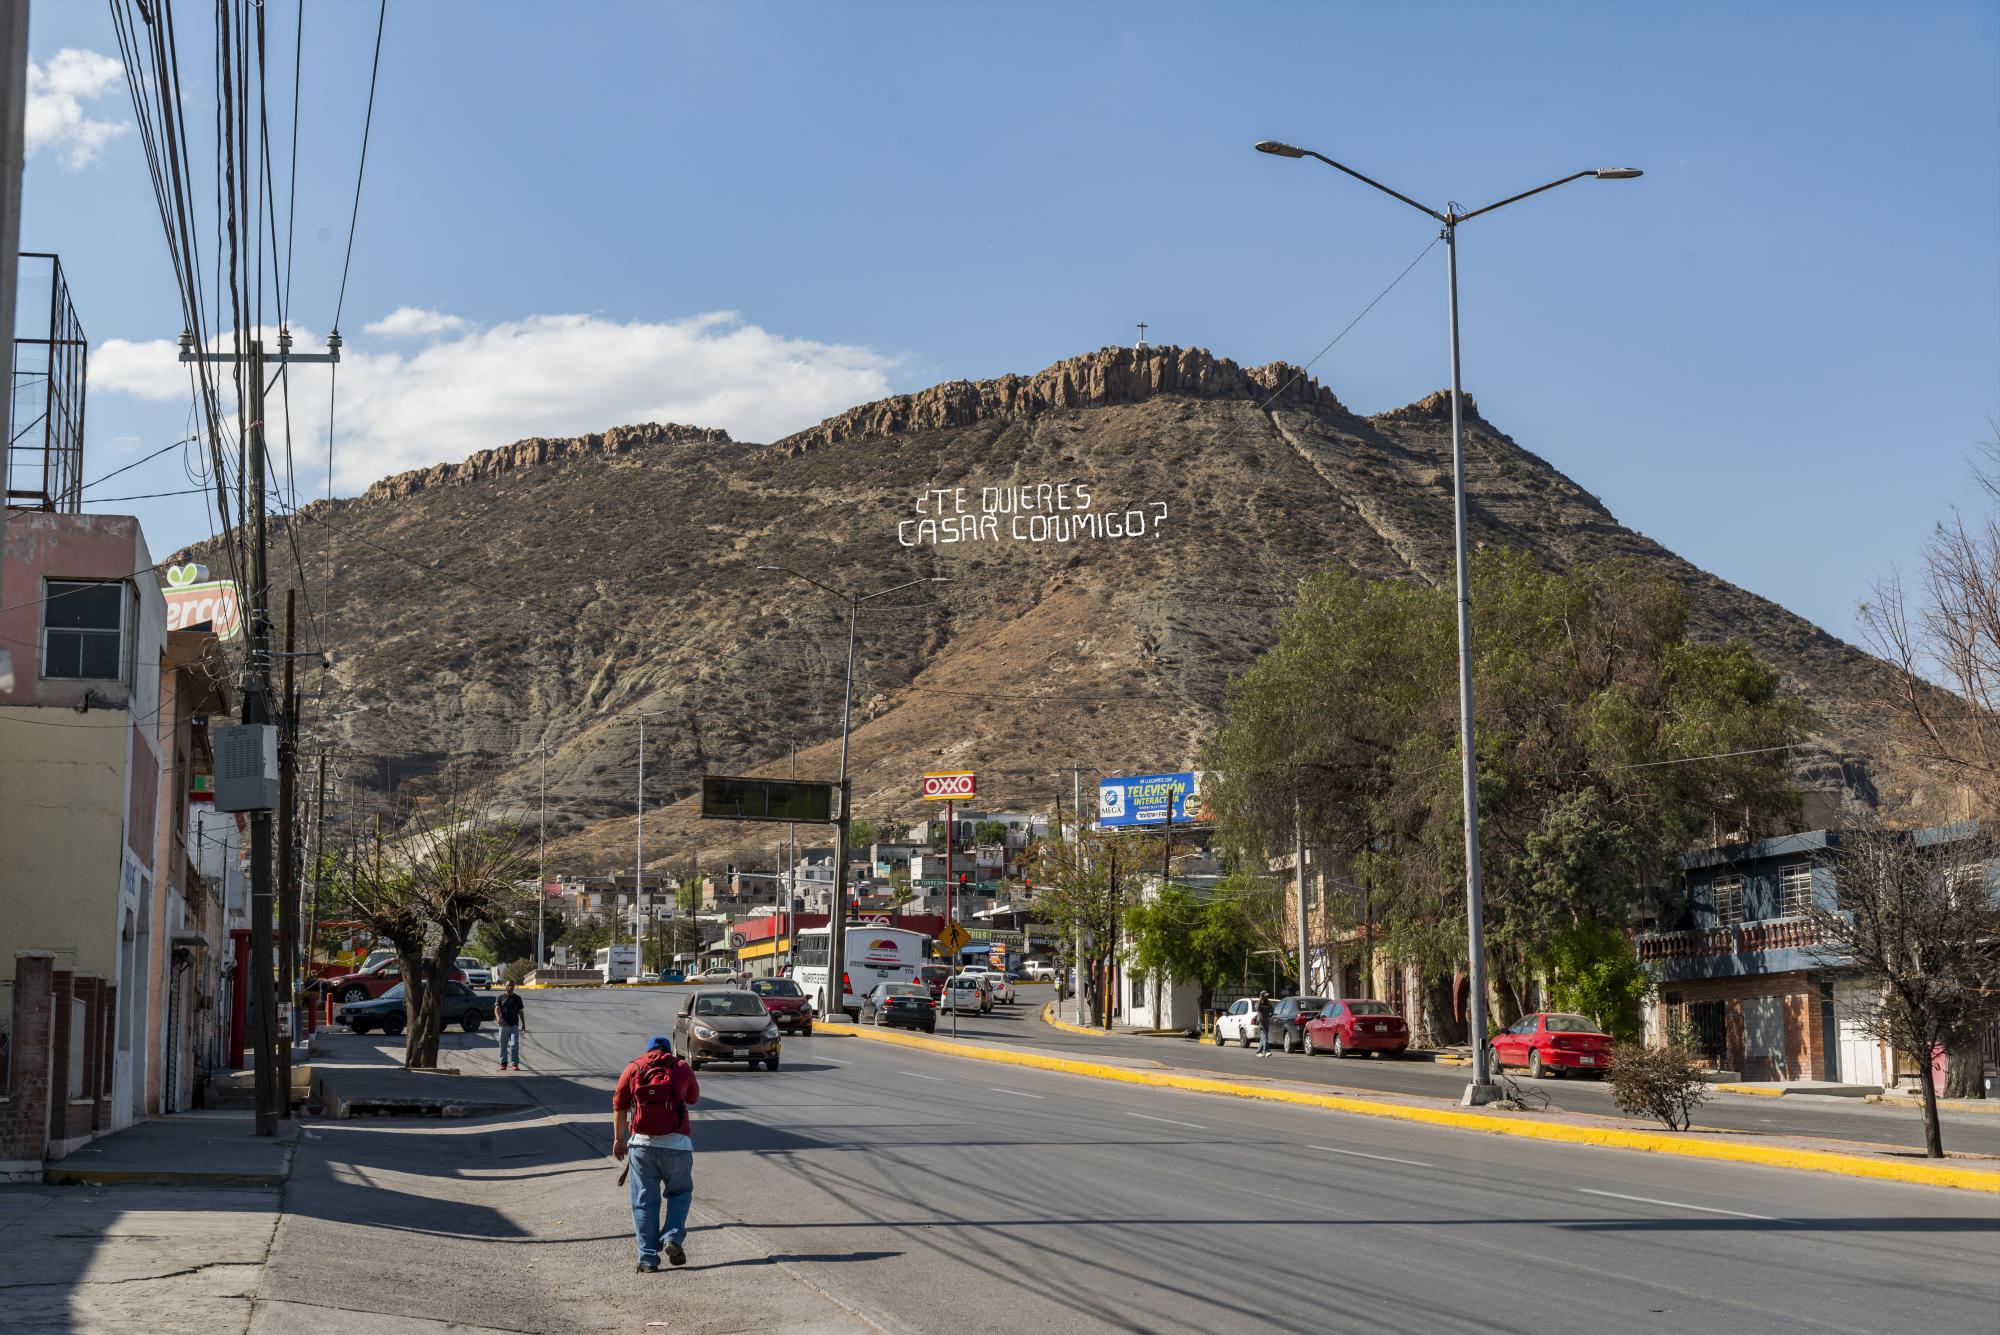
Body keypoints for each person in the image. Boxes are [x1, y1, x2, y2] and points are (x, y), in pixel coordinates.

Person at [613, 1035, 700, 1272]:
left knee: (644, 1202)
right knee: (680, 1193)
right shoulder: (681, 1067)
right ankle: (672, 1237)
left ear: (649, 1050)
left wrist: (619, 1139)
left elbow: (619, 1104)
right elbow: (693, 1098)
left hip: (642, 1147)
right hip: (677, 1145)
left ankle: (648, 1258)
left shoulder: (634, 1067)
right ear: (668, 1051)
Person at [495, 982, 526, 1070]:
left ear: (514, 986)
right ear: (505, 986)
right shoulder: (500, 997)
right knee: (503, 1045)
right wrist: (497, 1017)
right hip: (503, 1025)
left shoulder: (517, 998)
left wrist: (523, 1024)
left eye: (512, 985)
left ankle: (515, 1063)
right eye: (509, 985)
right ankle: (503, 1063)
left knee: (514, 1044)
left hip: (514, 1025)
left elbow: (521, 1011)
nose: (511, 987)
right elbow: (496, 1008)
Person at [1254, 991, 1274, 1057]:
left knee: (1263, 1037)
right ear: (1262, 996)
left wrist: (1269, 1003)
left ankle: (1258, 1052)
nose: (1267, 997)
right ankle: (1266, 1051)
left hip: (1267, 1021)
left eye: (1267, 996)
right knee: (1265, 1036)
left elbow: (1272, 1011)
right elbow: (1257, 1008)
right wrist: (1260, 999)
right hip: (1261, 1021)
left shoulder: (1267, 1003)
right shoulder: (1258, 1003)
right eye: (1265, 996)